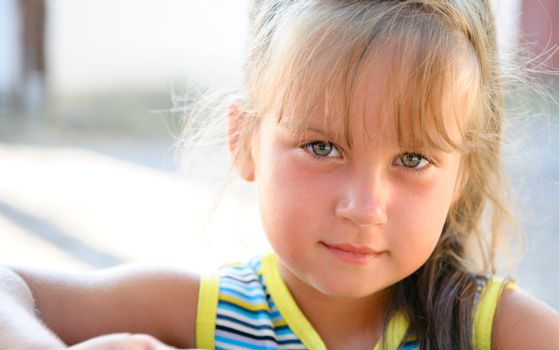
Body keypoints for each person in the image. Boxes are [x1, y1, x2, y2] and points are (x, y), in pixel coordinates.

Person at [1, 1, 558, 349]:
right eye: (322, 146)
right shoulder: (208, 312)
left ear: (461, 175)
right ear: (245, 142)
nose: (364, 206)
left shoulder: (492, 329)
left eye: (412, 160)